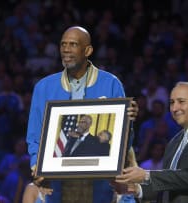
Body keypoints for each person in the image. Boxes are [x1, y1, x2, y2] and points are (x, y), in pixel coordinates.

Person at [26, 26, 138, 203]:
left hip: (99, 185)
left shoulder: (111, 84)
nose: (66, 49)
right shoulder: (44, 87)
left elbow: (122, 143)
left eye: (73, 44)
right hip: (56, 184)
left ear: (88, 50)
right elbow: (34, 136)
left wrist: (129, 123)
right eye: (63, 44)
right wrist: (36, 165)